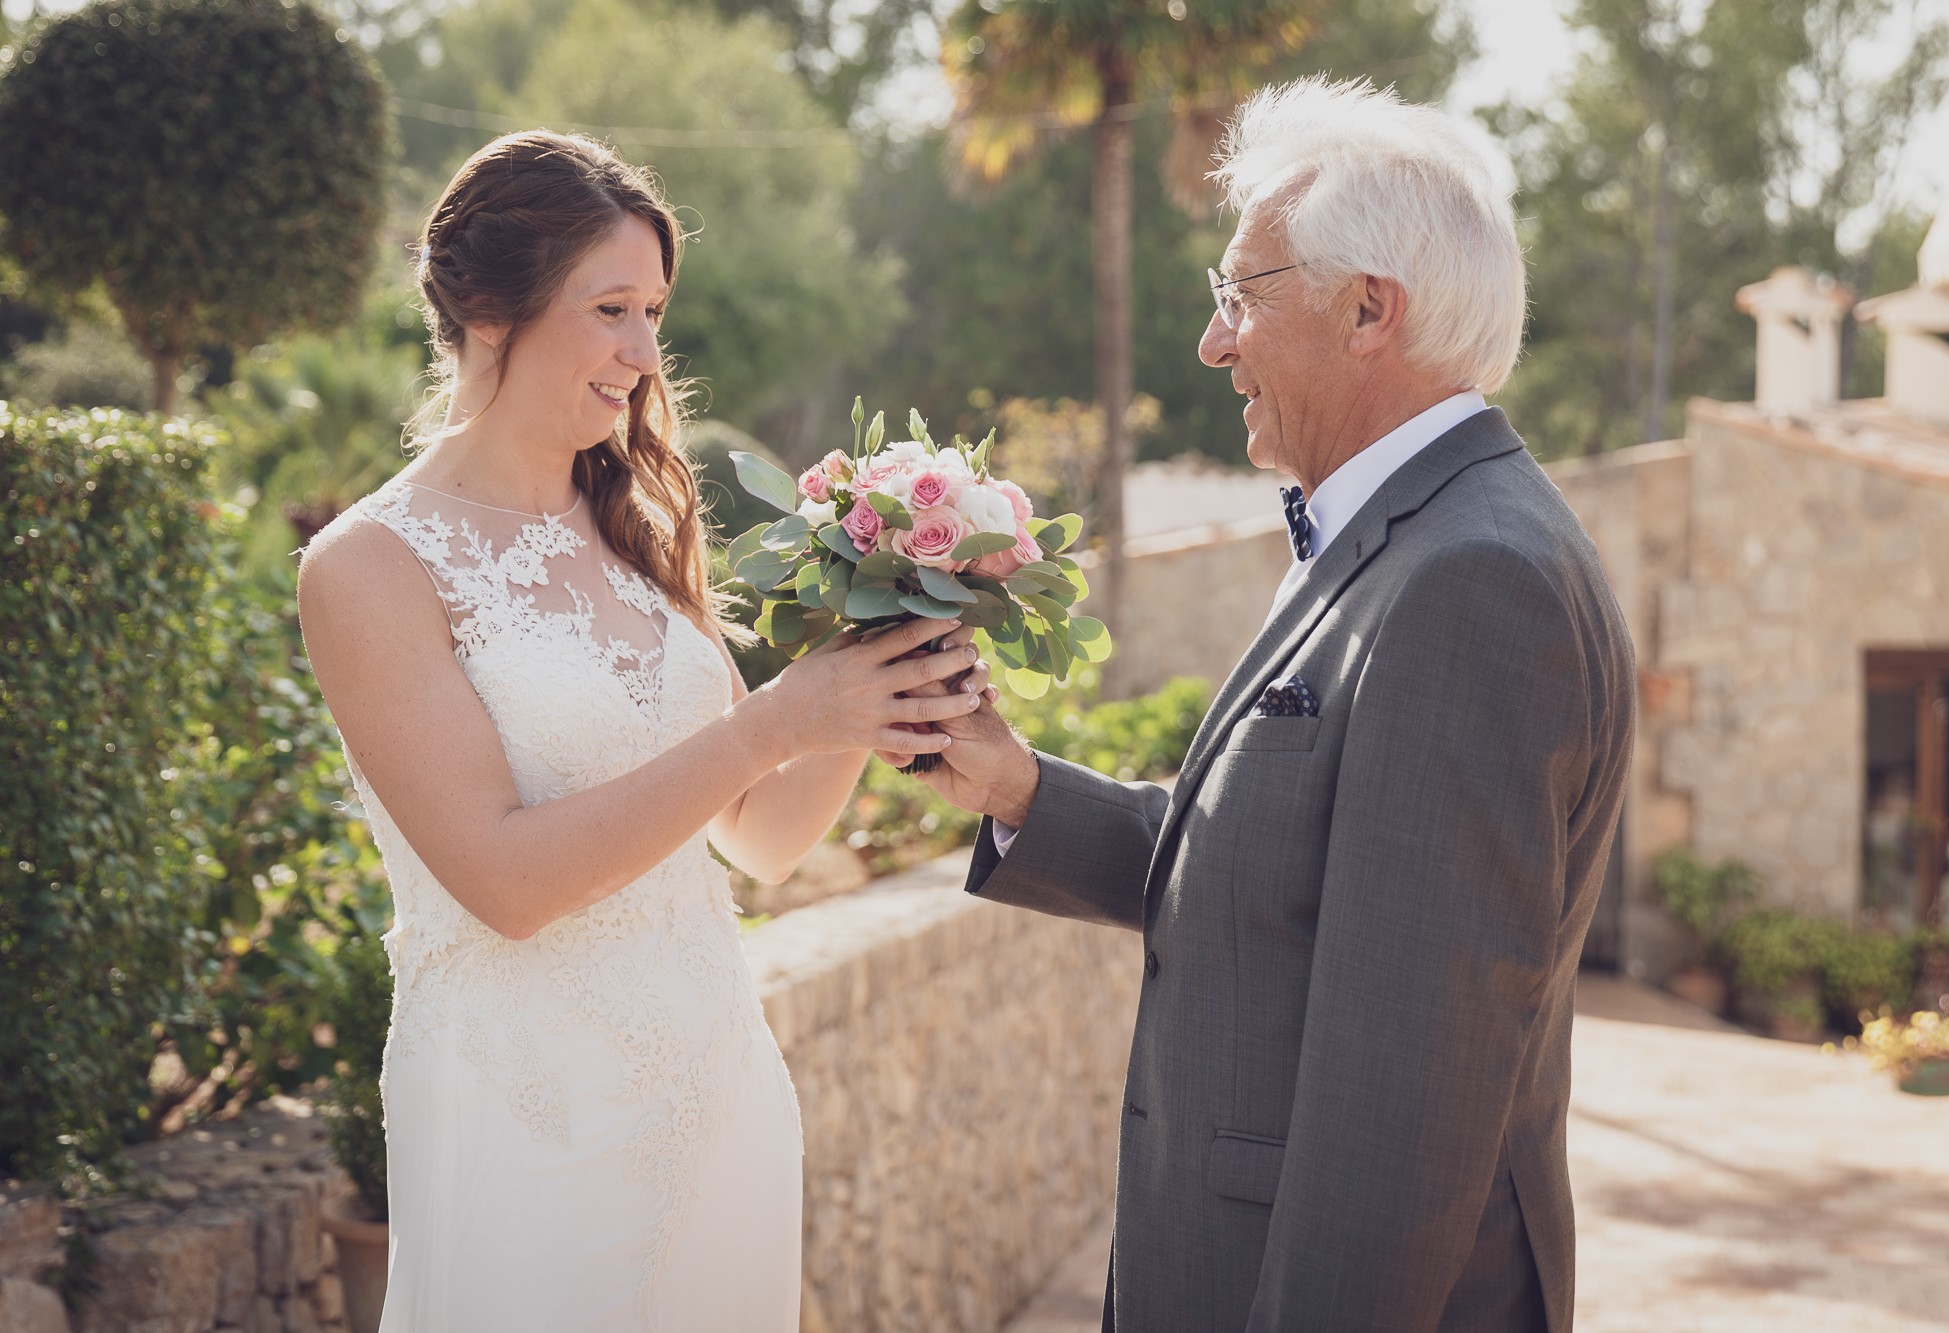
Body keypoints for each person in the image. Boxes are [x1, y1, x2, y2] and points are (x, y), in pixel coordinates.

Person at [901, 78, 1637, 1331]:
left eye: (1240, 294)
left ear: (1367, 310)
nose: (1214, 340)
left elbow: (1405, 1101)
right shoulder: (1411, 541)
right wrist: (1015, 788)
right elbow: (1284, 872)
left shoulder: (1471, 583)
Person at [298, 132, 987, 1332]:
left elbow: (762, 839)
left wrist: (872, 666)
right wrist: (779, 715)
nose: (642, 353)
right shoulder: (368, 566)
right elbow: (504, 882)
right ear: (487, 307)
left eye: (654, 311)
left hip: (715, 1091)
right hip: (528, 1114)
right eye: (610, 307)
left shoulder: (635, 523)